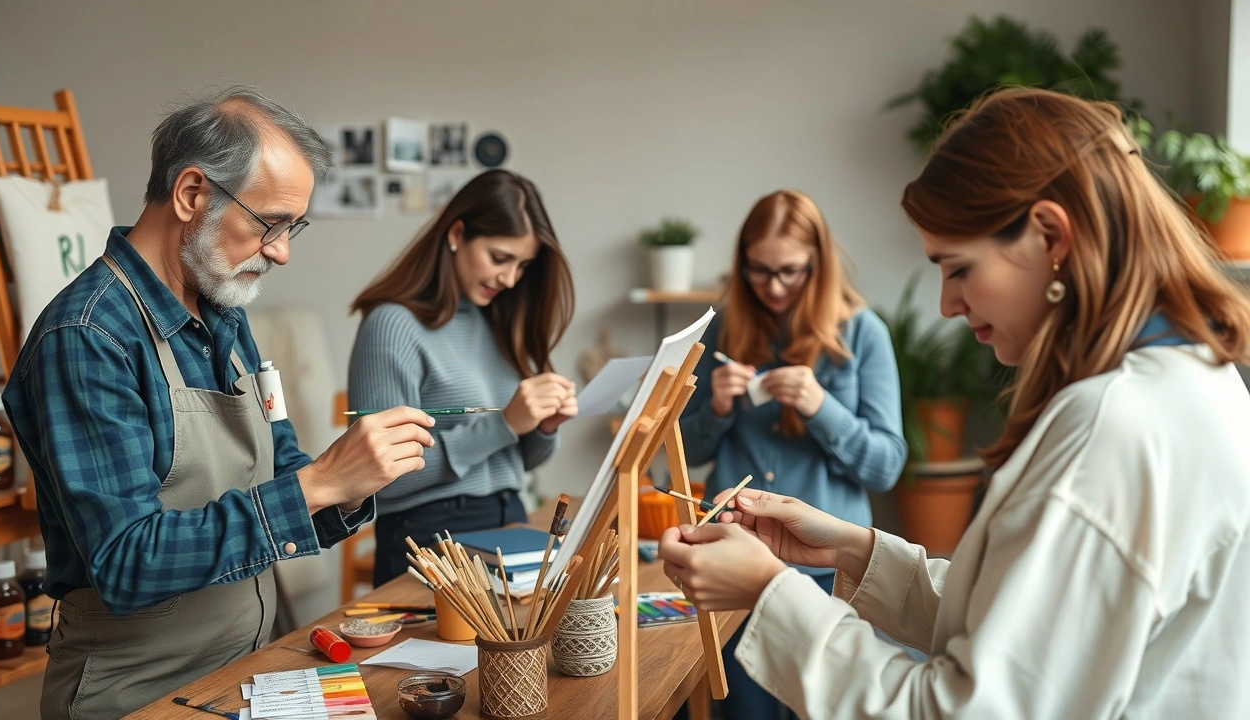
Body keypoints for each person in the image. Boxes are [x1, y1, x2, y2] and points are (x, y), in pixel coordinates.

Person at [659, 88, 1250, 719]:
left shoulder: (1113, 431)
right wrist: (853, 549)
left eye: (959, 268)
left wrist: (769, 592)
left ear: (1051, 236)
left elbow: (967, 709)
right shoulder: (1189, 382)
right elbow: (1022, 623)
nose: (947, 305)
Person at [2, 87, 436, 720]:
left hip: (243, 670)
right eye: (269, 224)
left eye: (292, 228)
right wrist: (318, 484)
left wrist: (351, 483)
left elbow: (279, 464)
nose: (282, 251)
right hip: (135, 691)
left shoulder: (224, 312)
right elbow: (126, 561)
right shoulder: (89, 336)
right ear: (191, 194)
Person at [678, 190, 906, 719]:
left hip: (831, 573)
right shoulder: (725, 328)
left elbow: (886, 466)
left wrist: (821, 407)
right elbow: (682, 453)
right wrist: (716, 407)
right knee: (746, 710)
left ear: (817, 264)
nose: (774, 287)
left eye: (789, 272)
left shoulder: (862, 331)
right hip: (738, 565)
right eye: (759, 271)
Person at [348, 169, 577, 587]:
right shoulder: (392, 325)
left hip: (510, 522)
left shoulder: (501, 322)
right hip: (430, 538)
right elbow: (380, 479)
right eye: (500, 258)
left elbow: (518, 462)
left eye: (523, 266)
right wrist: (503, 424)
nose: (510, 279)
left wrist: (542, 427)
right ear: (456, 234)